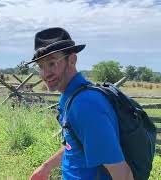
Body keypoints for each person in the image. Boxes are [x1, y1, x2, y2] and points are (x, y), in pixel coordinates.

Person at [25, 28, 134, 180]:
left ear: (72, 60)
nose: (45, 73)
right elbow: (77, 143)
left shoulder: (85, 105)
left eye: (52, 63)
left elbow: (123, 174)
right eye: (41, 66)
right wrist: (46, 167)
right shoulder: (71, 96)